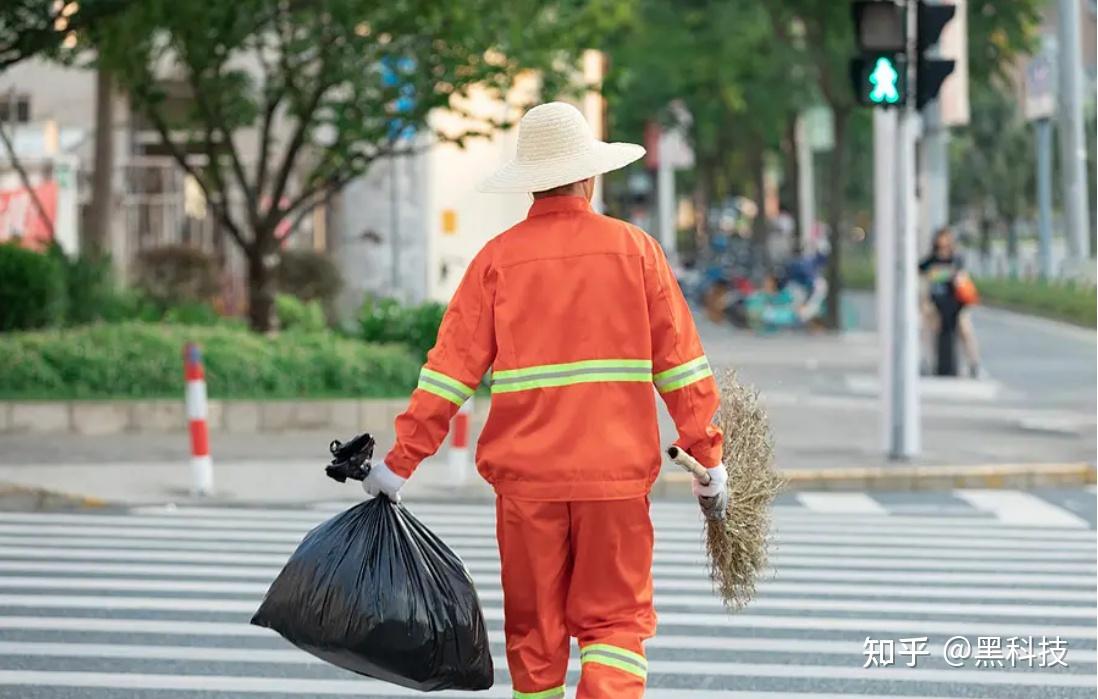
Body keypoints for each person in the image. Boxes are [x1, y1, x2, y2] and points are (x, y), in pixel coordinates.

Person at [361, 102, 724, 699]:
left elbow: (448, 374)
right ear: (589, 175)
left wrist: (399, 463)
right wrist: (708, 456)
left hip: (527, 486)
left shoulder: (497, 261)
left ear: (530, 181)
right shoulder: (636, 251)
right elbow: (683, 367)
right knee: (614, 627)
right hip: (614, 481)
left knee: (535, 637)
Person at [918, 226, 981, 377]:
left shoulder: (957, 258)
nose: (943, 241)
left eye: (946, 238)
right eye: (941, 238)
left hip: (957, 301)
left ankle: (974, 363)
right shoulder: (931, 259)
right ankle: (926, 362)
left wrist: (938, 274)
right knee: (928, 328)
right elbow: (921, 272)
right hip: (936, 302)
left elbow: (960, 276)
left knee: (965, 329)